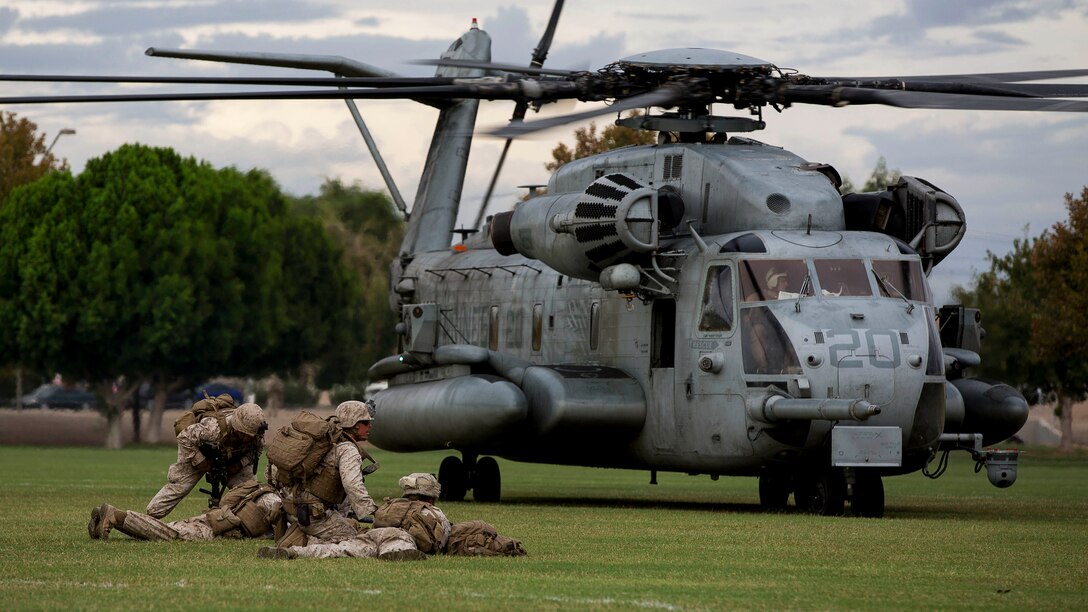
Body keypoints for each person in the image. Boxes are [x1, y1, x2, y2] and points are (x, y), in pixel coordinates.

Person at [258, 472, 447, 561]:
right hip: (398, 538)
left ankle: (294, 552)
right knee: (396, 549)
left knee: (340, 549)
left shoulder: (395, 504)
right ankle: (395, 553)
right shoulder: (433, 511)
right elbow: (441, 537)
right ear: (431, 497)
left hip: (372, 535)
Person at [267, 400, 379, 547]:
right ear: (355, 424)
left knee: (350, 526)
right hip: (313, 516)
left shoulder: (324, 443)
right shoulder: (348, 450)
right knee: (356, 541)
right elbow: (352, 485)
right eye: (366, 422)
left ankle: (297, 531)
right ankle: (299, 544)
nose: (370, 426)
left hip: (292, 510)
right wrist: (373, 511)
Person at [145, 401, 267, 519]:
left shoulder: (256, 432)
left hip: (232, 458)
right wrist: (200, 461)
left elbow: (256, 450)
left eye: (250, 436)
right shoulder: (213, 427)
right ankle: (150, 516)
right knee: (179, 488)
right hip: (198, 452)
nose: (247, 438)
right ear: (236, 427)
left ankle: (251, 521)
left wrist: (240, 464)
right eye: (244, 434)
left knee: (250, 491)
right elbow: (184, 437)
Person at [89, 479, 281, 542]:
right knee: (171, 535)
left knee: (163, 529)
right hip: (222, 529)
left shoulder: (264, 489)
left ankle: (110, 520)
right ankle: (115, 516)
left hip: (216, 518)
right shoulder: (276, 501)